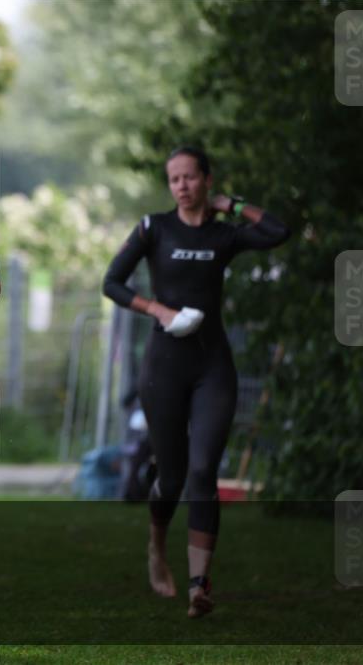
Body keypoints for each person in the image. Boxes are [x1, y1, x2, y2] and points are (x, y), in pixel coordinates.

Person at [102, 146, 290, 618]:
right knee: (171, 477)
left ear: (207, 179)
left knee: (203, 470)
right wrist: (158, 310)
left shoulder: (224, 234)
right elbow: (112, 283)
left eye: (190, 177)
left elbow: (278, 231)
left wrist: (232, 205)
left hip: (212, 366)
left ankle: (199, 585)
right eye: (174, 179)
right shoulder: (154, 228)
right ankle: (157, 546)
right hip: (164, 366)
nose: (182, 186)